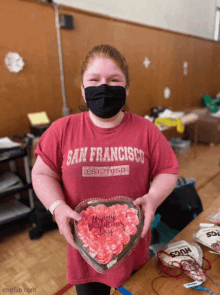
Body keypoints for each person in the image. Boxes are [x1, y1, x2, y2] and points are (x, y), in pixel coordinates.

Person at [32, 44, 179, 295]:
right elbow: (42, 173)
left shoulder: (147, 131)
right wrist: (56, 207)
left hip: (133, 247)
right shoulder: (61, 130)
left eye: (114, 80)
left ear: (126, 89)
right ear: (83, 88)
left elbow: (168, 169)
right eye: (94, 79)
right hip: (85, 253)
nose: (104, 87)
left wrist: (153, 198)